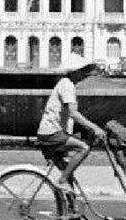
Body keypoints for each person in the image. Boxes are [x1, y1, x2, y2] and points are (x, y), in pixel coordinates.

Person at [35, 59, 105, 189]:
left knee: (68, 170)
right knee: (83, 148)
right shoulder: (67, 85)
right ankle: (62, 181)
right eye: (83, 72)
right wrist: (95, 128)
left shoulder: (66, 83)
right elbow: (73, 113)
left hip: (53, 132)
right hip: (51, 133)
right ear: (75, 72)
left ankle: (71, 206)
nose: (84, 76)